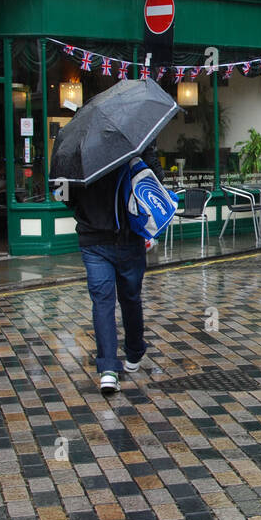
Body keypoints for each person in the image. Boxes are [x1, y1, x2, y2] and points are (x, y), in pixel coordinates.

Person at [67, 144, 165, 395]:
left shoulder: (75, 153)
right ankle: (121, 360)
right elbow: (156, 182)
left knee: (112, 300)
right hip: (116, 240)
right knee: (120, 299)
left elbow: (64, 196)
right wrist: (147, 152)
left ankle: (120, 361)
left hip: (105, 239)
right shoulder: (132, 148)